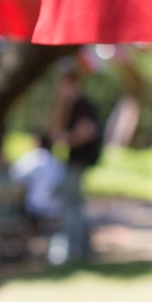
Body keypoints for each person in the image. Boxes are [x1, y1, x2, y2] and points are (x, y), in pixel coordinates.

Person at [49, 67, 103, 262]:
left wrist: (67, 139)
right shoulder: (72, 105)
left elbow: (87, 131)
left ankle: (75, 249)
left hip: (79, 161)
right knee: (74, 205)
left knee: (71, 206)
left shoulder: (81, 105)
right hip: (75, 161)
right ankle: (79, 248)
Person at [9, 134, 66, 223]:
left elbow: (15, 175)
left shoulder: (31, 158)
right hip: (55, 206)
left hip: (33, 205)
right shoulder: (57, 162)